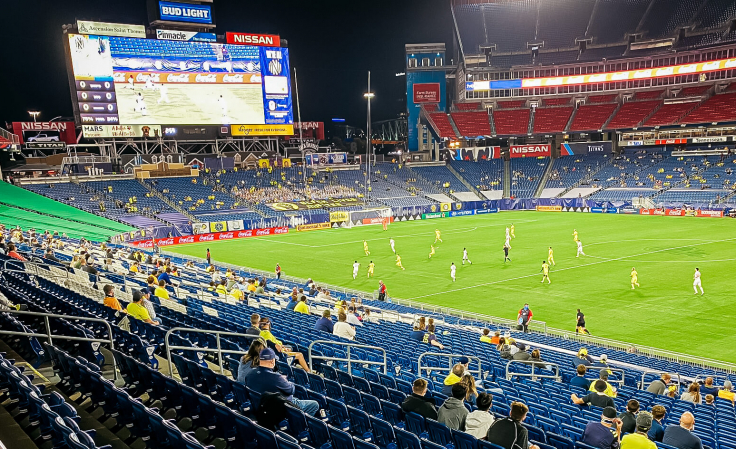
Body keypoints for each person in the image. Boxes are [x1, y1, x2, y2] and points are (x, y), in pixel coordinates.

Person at [245, 348, 319, 416]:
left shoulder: (250, 374)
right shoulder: (275, 377)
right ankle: (299, 426)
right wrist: (285, 381)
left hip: (261, 406)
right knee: (314, 404)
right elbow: (291, 390)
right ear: (272, 360)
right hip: (281, 407)